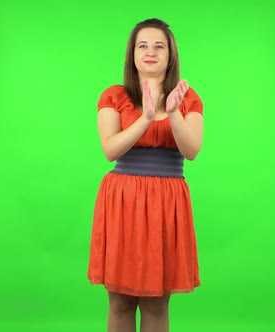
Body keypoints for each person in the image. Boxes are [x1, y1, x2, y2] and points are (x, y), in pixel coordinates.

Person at [88, 18, 204, 332]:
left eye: (159, 46)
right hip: (123, 200)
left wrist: (174, 111)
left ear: (170, 55)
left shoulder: (188, 98)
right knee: (120, 301)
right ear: (133, 54)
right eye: (143, 45)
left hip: (167, 202)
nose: (150, 52)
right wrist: (147, 119)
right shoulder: (115, 96)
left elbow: (191, 150)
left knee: (156, 304)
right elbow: (111, 150)